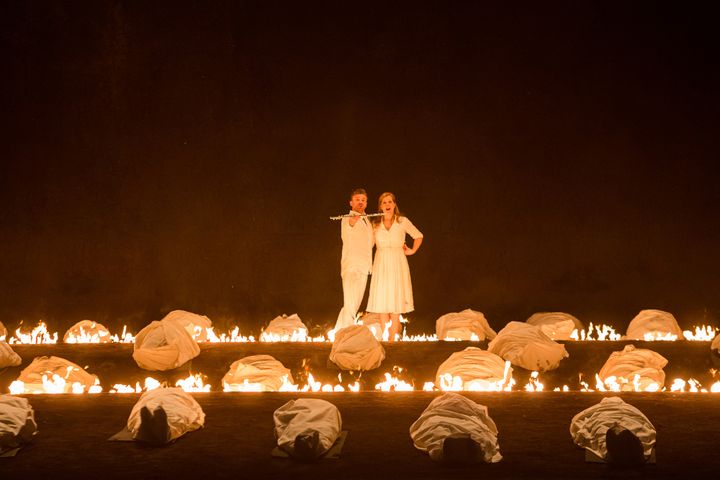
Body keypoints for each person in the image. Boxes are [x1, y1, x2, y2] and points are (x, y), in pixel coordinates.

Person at [366, 192, 423, 342]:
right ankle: (385, 339)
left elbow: (418, 236)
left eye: (390, 202)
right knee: (383, 301)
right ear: (380, 206)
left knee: (396, 300)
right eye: (384, 202)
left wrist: (412, 250)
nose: (387, 205)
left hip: (398, 261)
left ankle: (393, 339)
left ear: (394, 204)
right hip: (381, 261)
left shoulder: (402, 221)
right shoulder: (375, 224)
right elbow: (368, 245)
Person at [334, 188, 374, 331]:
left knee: (353, 304)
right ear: (351, 203)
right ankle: (345, 334)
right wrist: (352, 221)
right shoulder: (347, 218)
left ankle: (340, 332)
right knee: (351, 303)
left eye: (363, 200)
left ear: (366, 203)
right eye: (357, 200)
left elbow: (371, 243)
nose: (360, 202)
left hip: (364, 266)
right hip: (352, 266)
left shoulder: (367, 222)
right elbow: (348, 229)